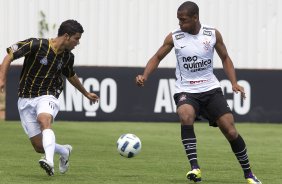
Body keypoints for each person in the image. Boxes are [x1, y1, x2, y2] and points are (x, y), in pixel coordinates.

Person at [135, 1, 262, 184]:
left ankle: (249, 174)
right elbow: (157, 57)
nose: (180, 24)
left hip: (210, 89)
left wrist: (234, 82)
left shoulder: (212, 34)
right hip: (186, 89)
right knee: (185, 114)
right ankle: (195, 168)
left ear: (195, 18)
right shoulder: (174, 37)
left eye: (183, 20)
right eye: (178, 20)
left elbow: (225, 57)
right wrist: (144, 75)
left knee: (231, 130)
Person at [0, 19, 99, 176]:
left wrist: (86, 93)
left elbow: (71, 75)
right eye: (77, 38)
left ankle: (49, 161)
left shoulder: (68, 57)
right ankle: (64, 151)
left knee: (44, 120)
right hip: (25, 99)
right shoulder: (36, 44)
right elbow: (9, 56)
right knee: (39, 146)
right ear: (66, 36)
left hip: (48, 96)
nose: (78, 43)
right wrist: (2, 80)